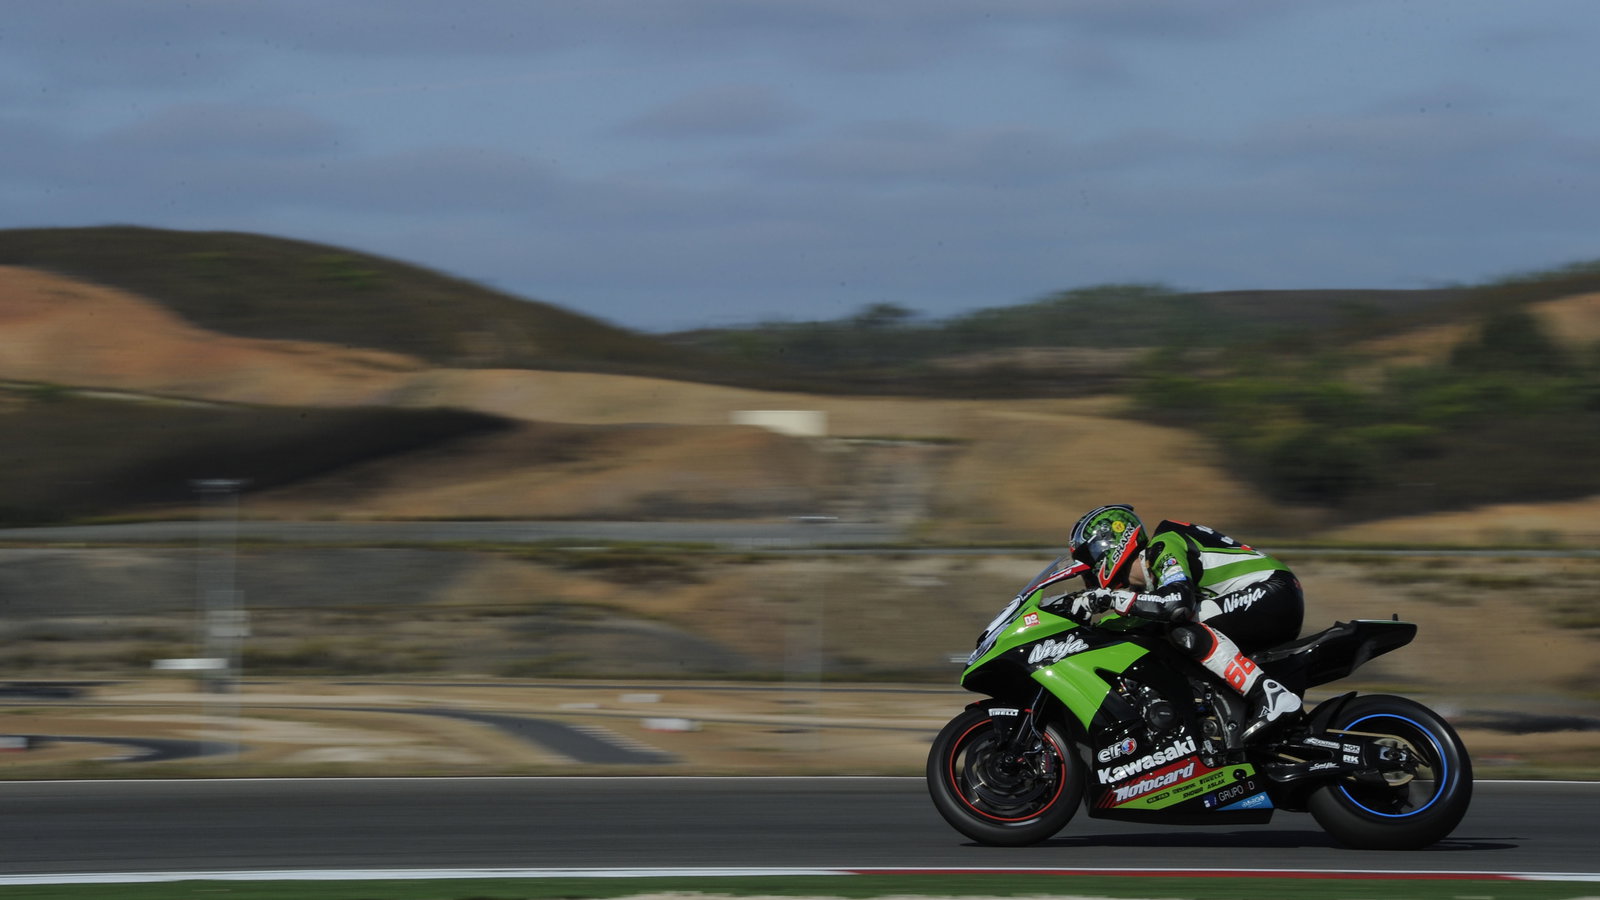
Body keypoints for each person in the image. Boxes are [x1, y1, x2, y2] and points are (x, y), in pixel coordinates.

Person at [1062, 504, 1305, 741]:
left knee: (1179, 627)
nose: (1087, 572)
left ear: (1110, 545)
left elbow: (1176, 603)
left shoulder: (1163, 544)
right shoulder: (1149, 581)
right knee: (1149, 628)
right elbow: (1134, 616)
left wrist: (1113, 597)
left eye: (1088, 559)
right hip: (1266, 597)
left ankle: (1270, 695)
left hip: (1273, 589)